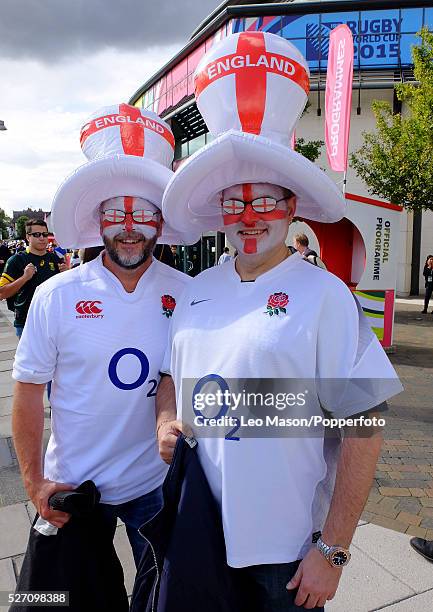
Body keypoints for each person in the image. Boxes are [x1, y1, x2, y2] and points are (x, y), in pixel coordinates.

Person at [157, 32, 403, 611]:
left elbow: (364, 428)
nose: (249, 216)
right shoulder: (197, 290)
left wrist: (334, 550)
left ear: (291, 206)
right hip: (198, 532)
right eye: (235, 201)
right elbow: (171, 375)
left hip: (286, 556)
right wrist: (166, 418)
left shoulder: (326, 296)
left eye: (264, 200)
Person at [11, 104, 197, 602]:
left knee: (158, 599)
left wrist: (167, 422)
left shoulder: (187, 293)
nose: (130, 227)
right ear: (99, 222)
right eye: (118, 213)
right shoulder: (57, 294)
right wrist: (33, 484)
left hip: (153, 488)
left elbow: (171, 376)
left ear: (160, 222)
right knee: (60, 598)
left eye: (144, 213)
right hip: (74, 486)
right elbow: (27, 391)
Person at [0, 219, 67, 337]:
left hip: (53, 321)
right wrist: (24, 278)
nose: (42, 238)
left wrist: (67, 275)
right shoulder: (17, 260)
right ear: (28, 237)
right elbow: (2, 293)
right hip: (26, 322)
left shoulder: (55, 259)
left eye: (45, 234)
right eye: (36, 235)